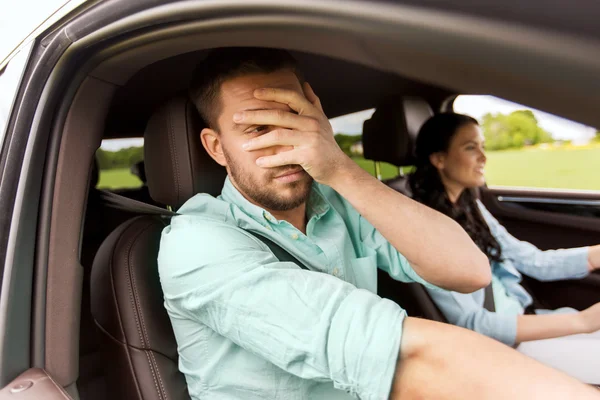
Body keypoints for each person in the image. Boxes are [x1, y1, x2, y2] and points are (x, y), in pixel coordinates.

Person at [158, 48, 600, 399]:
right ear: (216, 148)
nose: (286, 145)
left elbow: (470, 273)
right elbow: (403, 358)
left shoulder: (341, 202)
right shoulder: (196, 243)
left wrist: (340, 169)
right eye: (258, 130)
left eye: (295, 119)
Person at [409, 112, 600, 347]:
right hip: (506, 346)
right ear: (439, 159)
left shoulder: (470, 206)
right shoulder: (427, 229)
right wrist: (582, 321)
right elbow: (472, 323)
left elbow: (533, 261)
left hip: (527, 320)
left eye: (483, 146)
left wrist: (596, 255)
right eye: (471, 148)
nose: (483, 157)